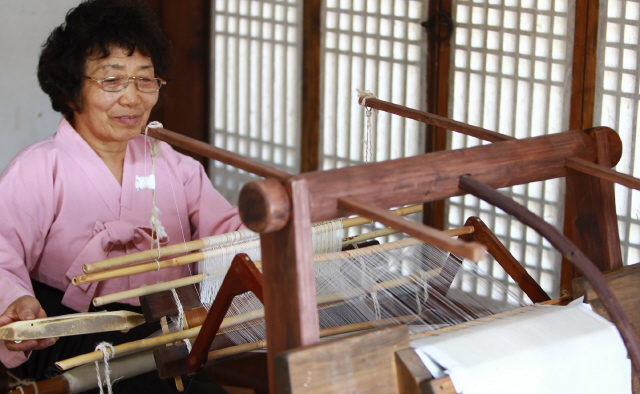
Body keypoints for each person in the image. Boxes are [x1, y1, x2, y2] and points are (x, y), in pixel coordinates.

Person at [0, 0, 243, 392]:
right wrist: (16, 303)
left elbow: (228, 232)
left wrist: (277, 228)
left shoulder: (174, 165)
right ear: (71, 88)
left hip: (167, 325)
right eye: (112, 81)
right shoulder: (37, 170)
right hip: (72, 330)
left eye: (146, 80)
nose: (133, 99)